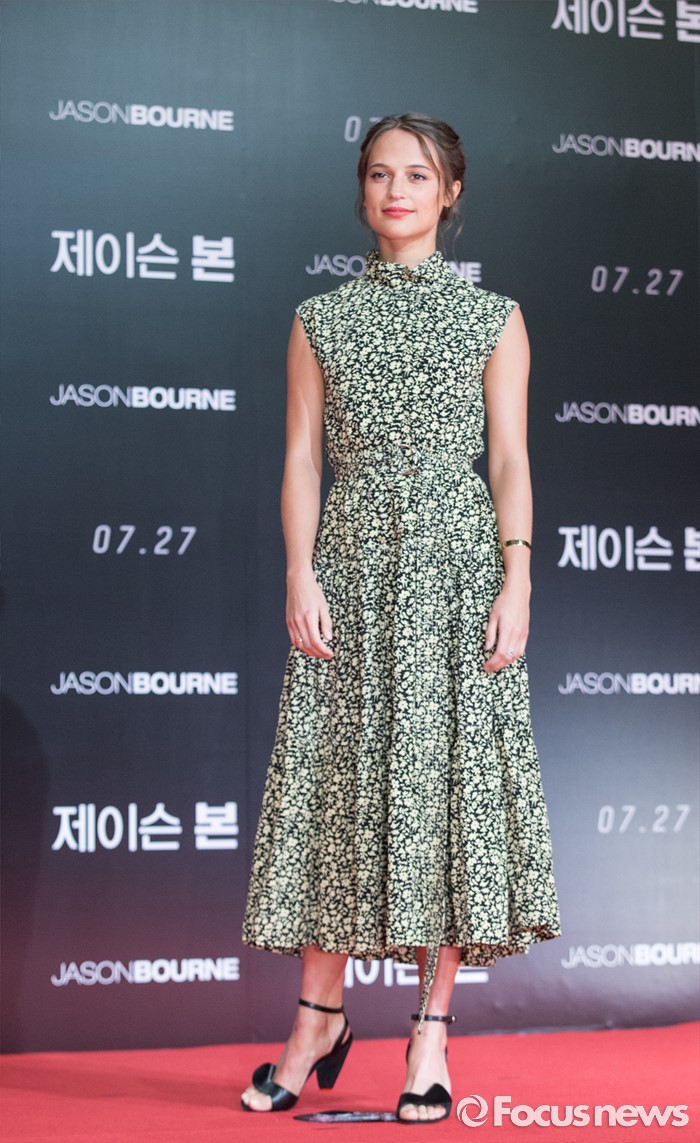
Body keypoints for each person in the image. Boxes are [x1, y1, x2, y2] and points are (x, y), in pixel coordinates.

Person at [240, 112, 560, 1124]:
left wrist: (517, 578)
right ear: (363, 190)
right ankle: (316, 1019)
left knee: (448, 785)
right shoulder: (319, 318)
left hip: (458, 568)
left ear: (449, 192)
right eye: (379, 174)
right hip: (350, 565)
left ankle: (430, 1034)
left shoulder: (493, 317)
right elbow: (301, 457)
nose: (395, 191)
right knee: (334, 784)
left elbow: (508, 459)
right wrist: (300, 571)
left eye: (416, 175)